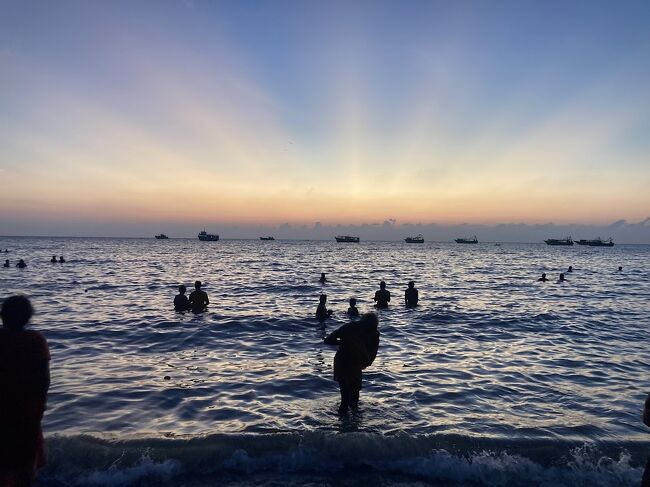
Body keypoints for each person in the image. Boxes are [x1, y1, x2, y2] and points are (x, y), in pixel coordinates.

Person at [0, 296, 50, 486]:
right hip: (26, 411)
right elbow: (43, 380)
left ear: (2, 316)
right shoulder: (36, 341)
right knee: (25, 466)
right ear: (28, 318)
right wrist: (40, 407)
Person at [324, 312, 380, 414]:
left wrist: (347, 342)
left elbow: (328, 340)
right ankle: (347, 425)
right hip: (344, 363)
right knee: (347, 399)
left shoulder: (372, 333)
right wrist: (346, 341)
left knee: (353, 398)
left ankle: (350, 425)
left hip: (354, 364)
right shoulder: (352, 328)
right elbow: (328, 340)